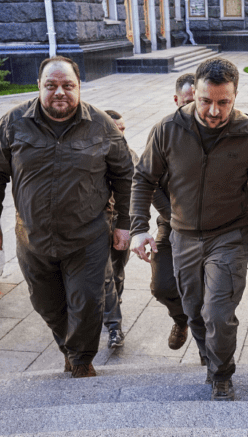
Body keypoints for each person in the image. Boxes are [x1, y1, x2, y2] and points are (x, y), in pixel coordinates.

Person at [0, 56, 134, 378]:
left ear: (78, 87)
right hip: (32, 236)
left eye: (67, 85)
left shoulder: (102, 125)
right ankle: (70, 347)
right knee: (46, 304)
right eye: (51, 85)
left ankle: (80, 360)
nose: (59, 92)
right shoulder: (13, 123)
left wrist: (123, 223)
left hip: (87, 237)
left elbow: (125, 175)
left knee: (89, 303)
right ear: (39, 86)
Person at [130, 58, 248, 401]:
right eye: (206, 100)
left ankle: (222, 373)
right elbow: (143, 178)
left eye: (224, 102)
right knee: (194, 310)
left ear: (235, 96)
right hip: (183, 236)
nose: (214, 110)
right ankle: (209, 356)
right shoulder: (168, 129)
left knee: (219, 313)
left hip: (229, 236)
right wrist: (138, 228)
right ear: (194, 93)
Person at [146, 74, 198, 353]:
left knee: (207, 290)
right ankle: (181, 320)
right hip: (171, 222)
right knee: (162, 285)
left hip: (209, 228)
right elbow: (148, 180)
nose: (192, 109)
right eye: (186, 102)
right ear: (177, 100)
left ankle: (209, 348)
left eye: (196, 102)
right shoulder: (162, 131)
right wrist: (172, 215)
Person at [101, 109, 140, 349]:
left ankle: (113, 304)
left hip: (121, 222)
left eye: (124, 129)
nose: (122, 134)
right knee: (104, 276)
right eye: (117, 130)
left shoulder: (131, 155)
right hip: (97, 224)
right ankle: (114, 326)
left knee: (116, 272)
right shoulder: (93, 155)